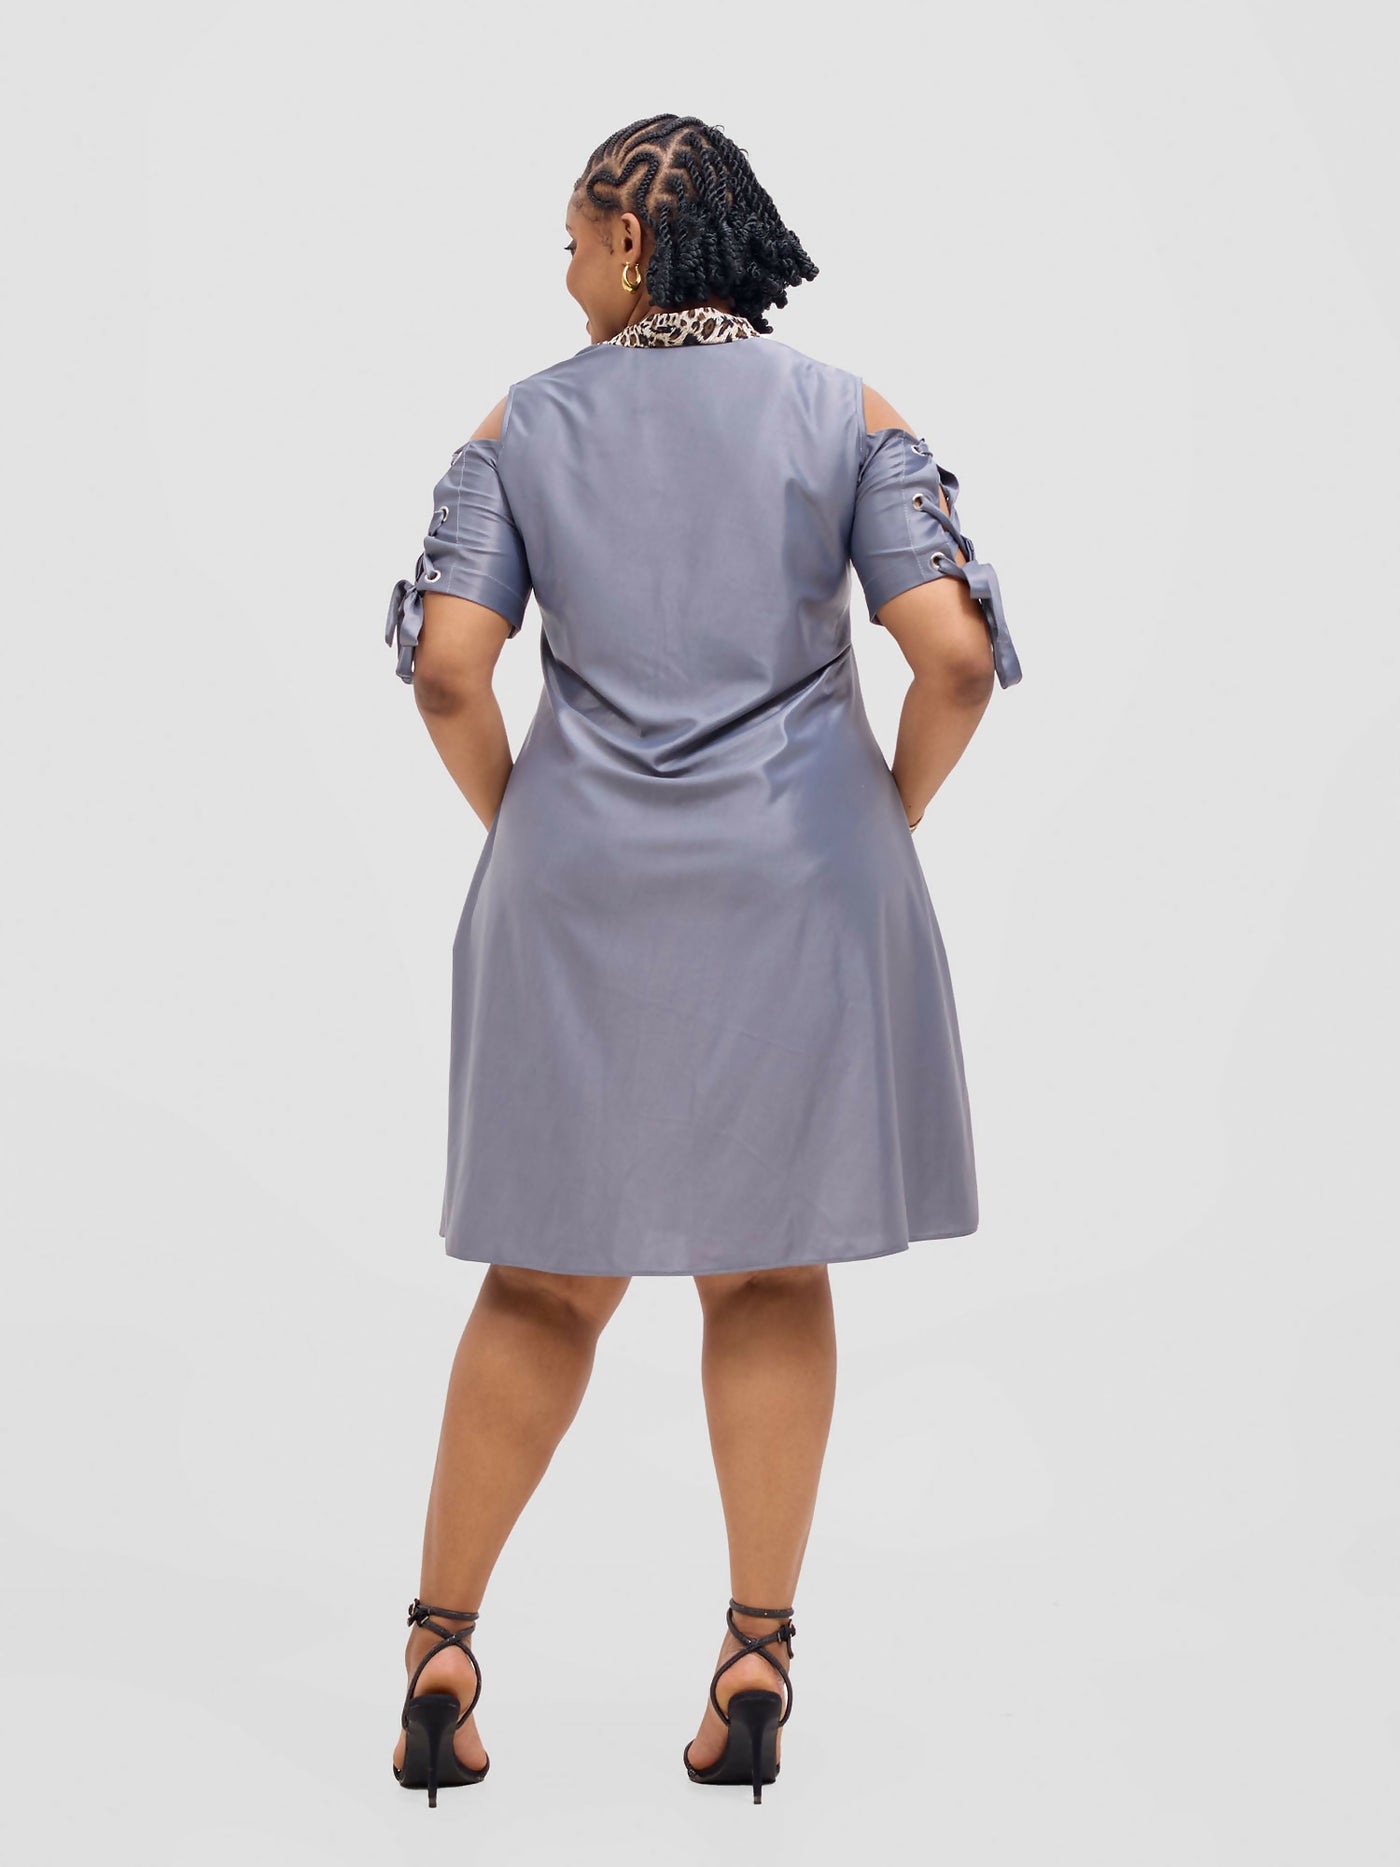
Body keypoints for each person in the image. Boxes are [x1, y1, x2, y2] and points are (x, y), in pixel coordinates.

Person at [383, 112, 1022, 1808]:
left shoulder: (521, 423)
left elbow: (449, 669)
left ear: (632, 243)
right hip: (800, 886)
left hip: (576, 892)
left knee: (541, 1280)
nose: (563, 274)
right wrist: (880, 818)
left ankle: (442, 1646)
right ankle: (755, 1655)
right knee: (766, 1272)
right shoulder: (847, 414)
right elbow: (954, 657)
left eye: (572, 242)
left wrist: (529, 826)